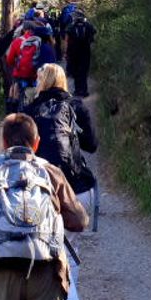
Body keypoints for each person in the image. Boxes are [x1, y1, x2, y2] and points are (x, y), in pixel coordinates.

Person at [0, 114, 88, 300]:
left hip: (1, 270)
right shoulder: (50, 171)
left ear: (4, 143)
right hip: (46, 271)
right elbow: (80, 221)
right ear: (36, 143)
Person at [24, 64, 98, 202]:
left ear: (41, 82)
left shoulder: (29, 110)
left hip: (40, 189)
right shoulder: (77, 106)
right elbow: (92, 145)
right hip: (75, 188)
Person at [64, 10, 96, 97]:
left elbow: (66, 41)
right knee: (84, 71)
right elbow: (93, 37)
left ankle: (77, 91)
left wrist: (66, 52)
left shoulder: (70, 27)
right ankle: (84, 91)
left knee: (75, 71)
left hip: (73, 52)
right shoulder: (89, 26)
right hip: (85, 52)